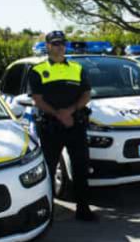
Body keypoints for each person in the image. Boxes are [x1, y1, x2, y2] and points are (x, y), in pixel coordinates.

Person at [29, 30, 97, 221]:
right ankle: (47, 211)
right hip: (51, 126)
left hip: (75, 123)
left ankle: (83, 209)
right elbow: (37, 100)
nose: (60, 47)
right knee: (49, 169)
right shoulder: (37, 70)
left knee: (81, 167)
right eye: (56, 44)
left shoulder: (77, 68)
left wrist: (70, 110)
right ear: (48, 46)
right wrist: (59, 114)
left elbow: (86, 94)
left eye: (62, 44)